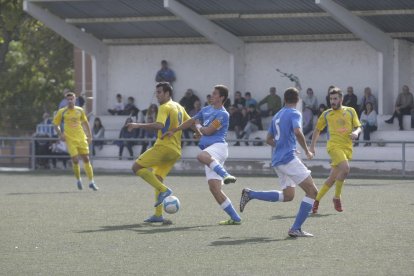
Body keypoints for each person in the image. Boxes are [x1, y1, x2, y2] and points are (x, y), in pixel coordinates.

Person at [239, 87, 318, 237]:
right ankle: (296, 228)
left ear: (284, 99)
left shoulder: (277, 115)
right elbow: (297, 131)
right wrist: (307, 150)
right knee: (312, 192)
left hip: (278, 160)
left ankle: (251, 194)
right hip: (288, 159)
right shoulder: (295, 112)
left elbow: (268, 139)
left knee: (288, 196)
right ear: (298, 100)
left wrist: (283, 146)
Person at [163, 85, 241, 225]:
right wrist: (174, 130)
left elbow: (209, 131)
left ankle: (225, 175)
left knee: (200, 156)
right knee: (214, 189)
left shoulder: (223, 114)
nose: (212, 95)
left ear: (221, 97)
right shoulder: (206, 110)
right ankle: (235, 218)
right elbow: (191, 121)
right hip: (210, 152)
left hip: (218, 148)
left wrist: (199, 128)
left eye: (215, 93)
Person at [126, 82, 190, 223]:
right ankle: (158, 215)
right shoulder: (179, 107)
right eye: (156, 92)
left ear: (167, 93)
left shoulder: (164, 106)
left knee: (136, 167)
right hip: (175, 151)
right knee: (157, 178)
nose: (157, 95)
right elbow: (190, 121)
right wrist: (198, 133)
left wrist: (137, 125)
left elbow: (159, 125)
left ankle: (165, 190)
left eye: (160, 92)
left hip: (164, 147)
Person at [310, 87, 361, 213]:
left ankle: (315, 201)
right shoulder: (326, 114)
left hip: (347, 147)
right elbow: (317, 130)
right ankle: (337, 197)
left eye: (335, 99)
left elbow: (359, 127)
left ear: (341, 99)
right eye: (331, 99)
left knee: (332, 178)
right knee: (346, 169)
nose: (332, 101)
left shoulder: (350, 111)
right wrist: (312, 146)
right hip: (333, 146)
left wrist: (356, 132)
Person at [53, 92, 98, 191]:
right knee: (75, 159)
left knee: (86, 159)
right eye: (68, 99)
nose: (70, 101)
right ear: (66, 100)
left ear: (75, 100)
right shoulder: (62, 111)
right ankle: (78, 180)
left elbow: (85, 123)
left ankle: (91, 182)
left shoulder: (80, 110)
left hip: (81, 137)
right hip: (70, 139)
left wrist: (89, 136)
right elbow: (56, 124)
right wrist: (60, 134)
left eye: (71, 99)